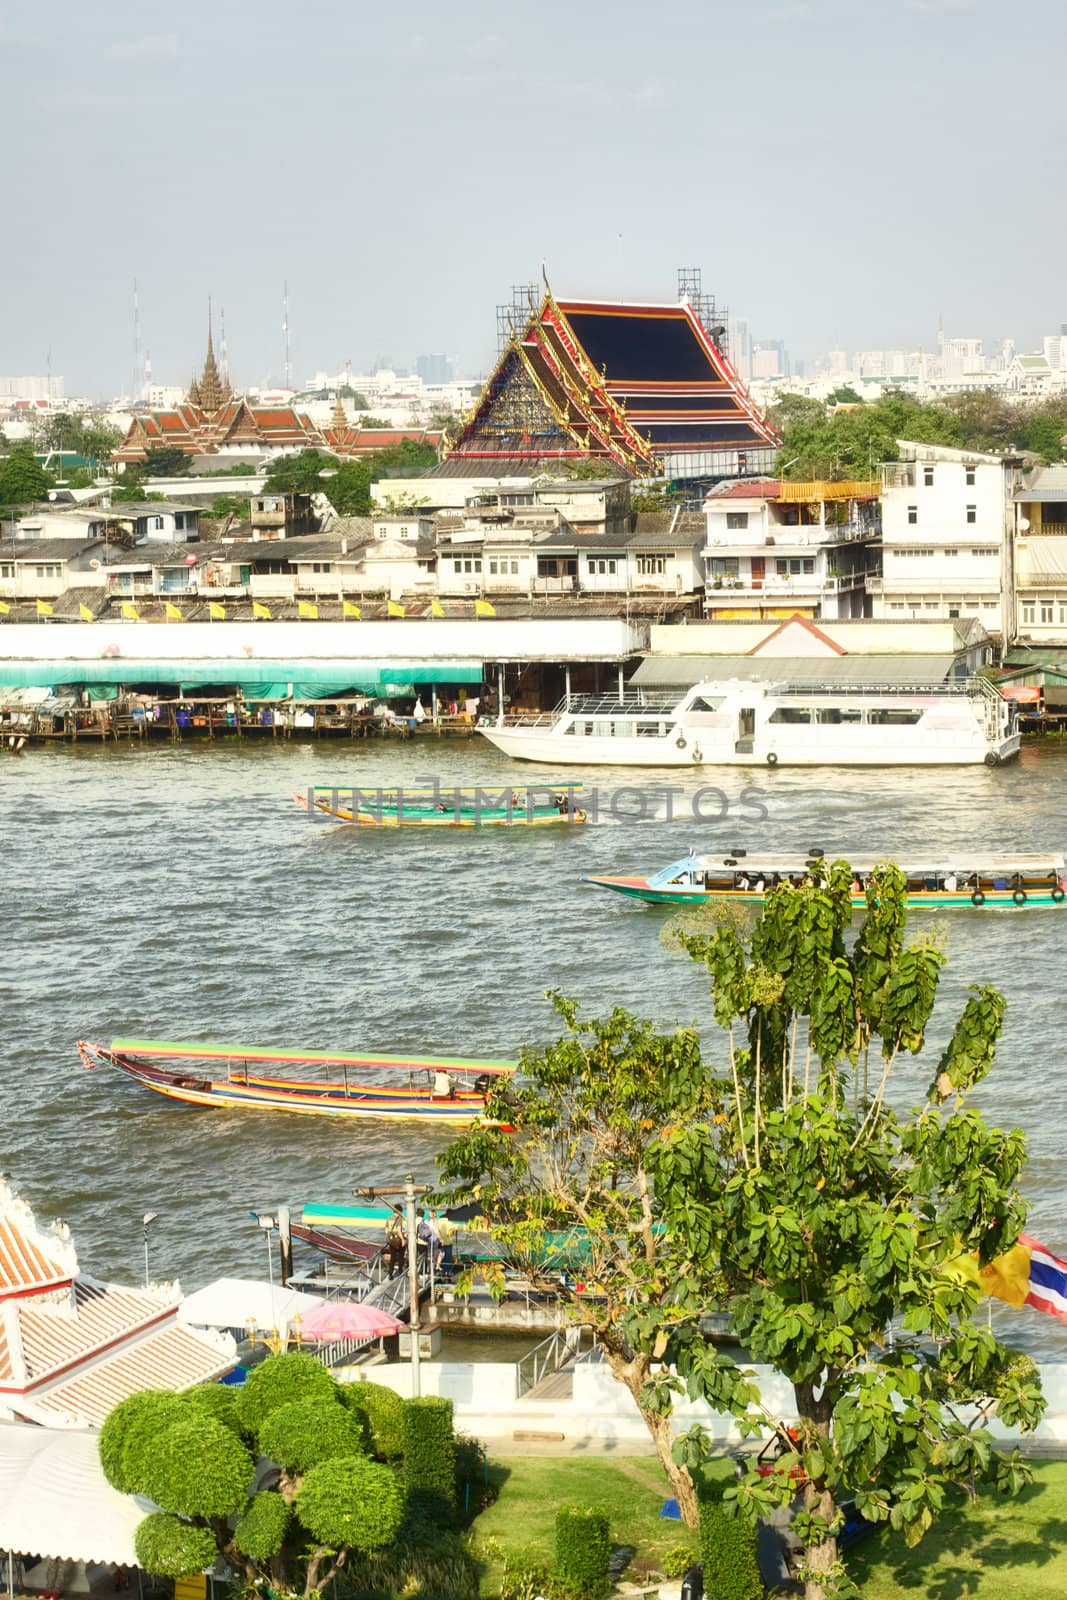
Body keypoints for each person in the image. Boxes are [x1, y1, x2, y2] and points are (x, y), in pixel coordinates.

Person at [385, 1212, 406, 1277]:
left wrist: (390, 1237)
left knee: (392, 1258)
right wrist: (403, 1239)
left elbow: (386, 1231)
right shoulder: (399, 1219)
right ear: (400, 1211)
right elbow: (399, 1230)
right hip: (398, 1240)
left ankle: (390, 1274)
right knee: (401, 1256)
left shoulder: (388, 1218)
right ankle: (400, 1272)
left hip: (392, 1241)